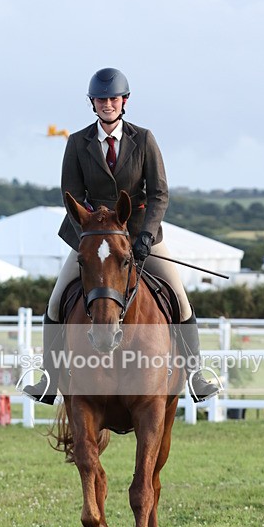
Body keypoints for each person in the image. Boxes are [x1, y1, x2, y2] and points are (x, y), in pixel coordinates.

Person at [23, 67, 220, 405]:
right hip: (96, 239)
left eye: (113, 99)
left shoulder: (143, 139)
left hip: (142, 236)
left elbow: (159, 193)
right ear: (93, 103)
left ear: (124, 101)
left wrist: (145, 235)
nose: (108, 104)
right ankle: (50, 379)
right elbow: (70, 192)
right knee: (56, 302)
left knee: (179, 298)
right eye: (101, 100)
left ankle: (195, 374)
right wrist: (90, 229)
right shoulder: (77, 143)